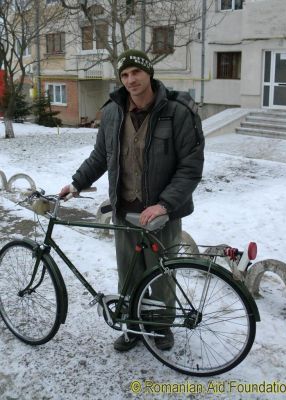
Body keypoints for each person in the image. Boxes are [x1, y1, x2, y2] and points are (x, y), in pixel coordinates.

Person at [59, 49, 205, 352]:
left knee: (161, 276)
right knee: (129, 275)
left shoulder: (178, 111)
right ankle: (132, 326)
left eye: (136, 72)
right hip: (125, 210)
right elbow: (101, 157)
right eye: (124, 75)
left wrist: (164, 204)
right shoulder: (113, 112)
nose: (130, 79)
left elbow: (190, 168)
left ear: (148, 73)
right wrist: (76, 183)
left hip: (160, 214)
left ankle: (161, 326)